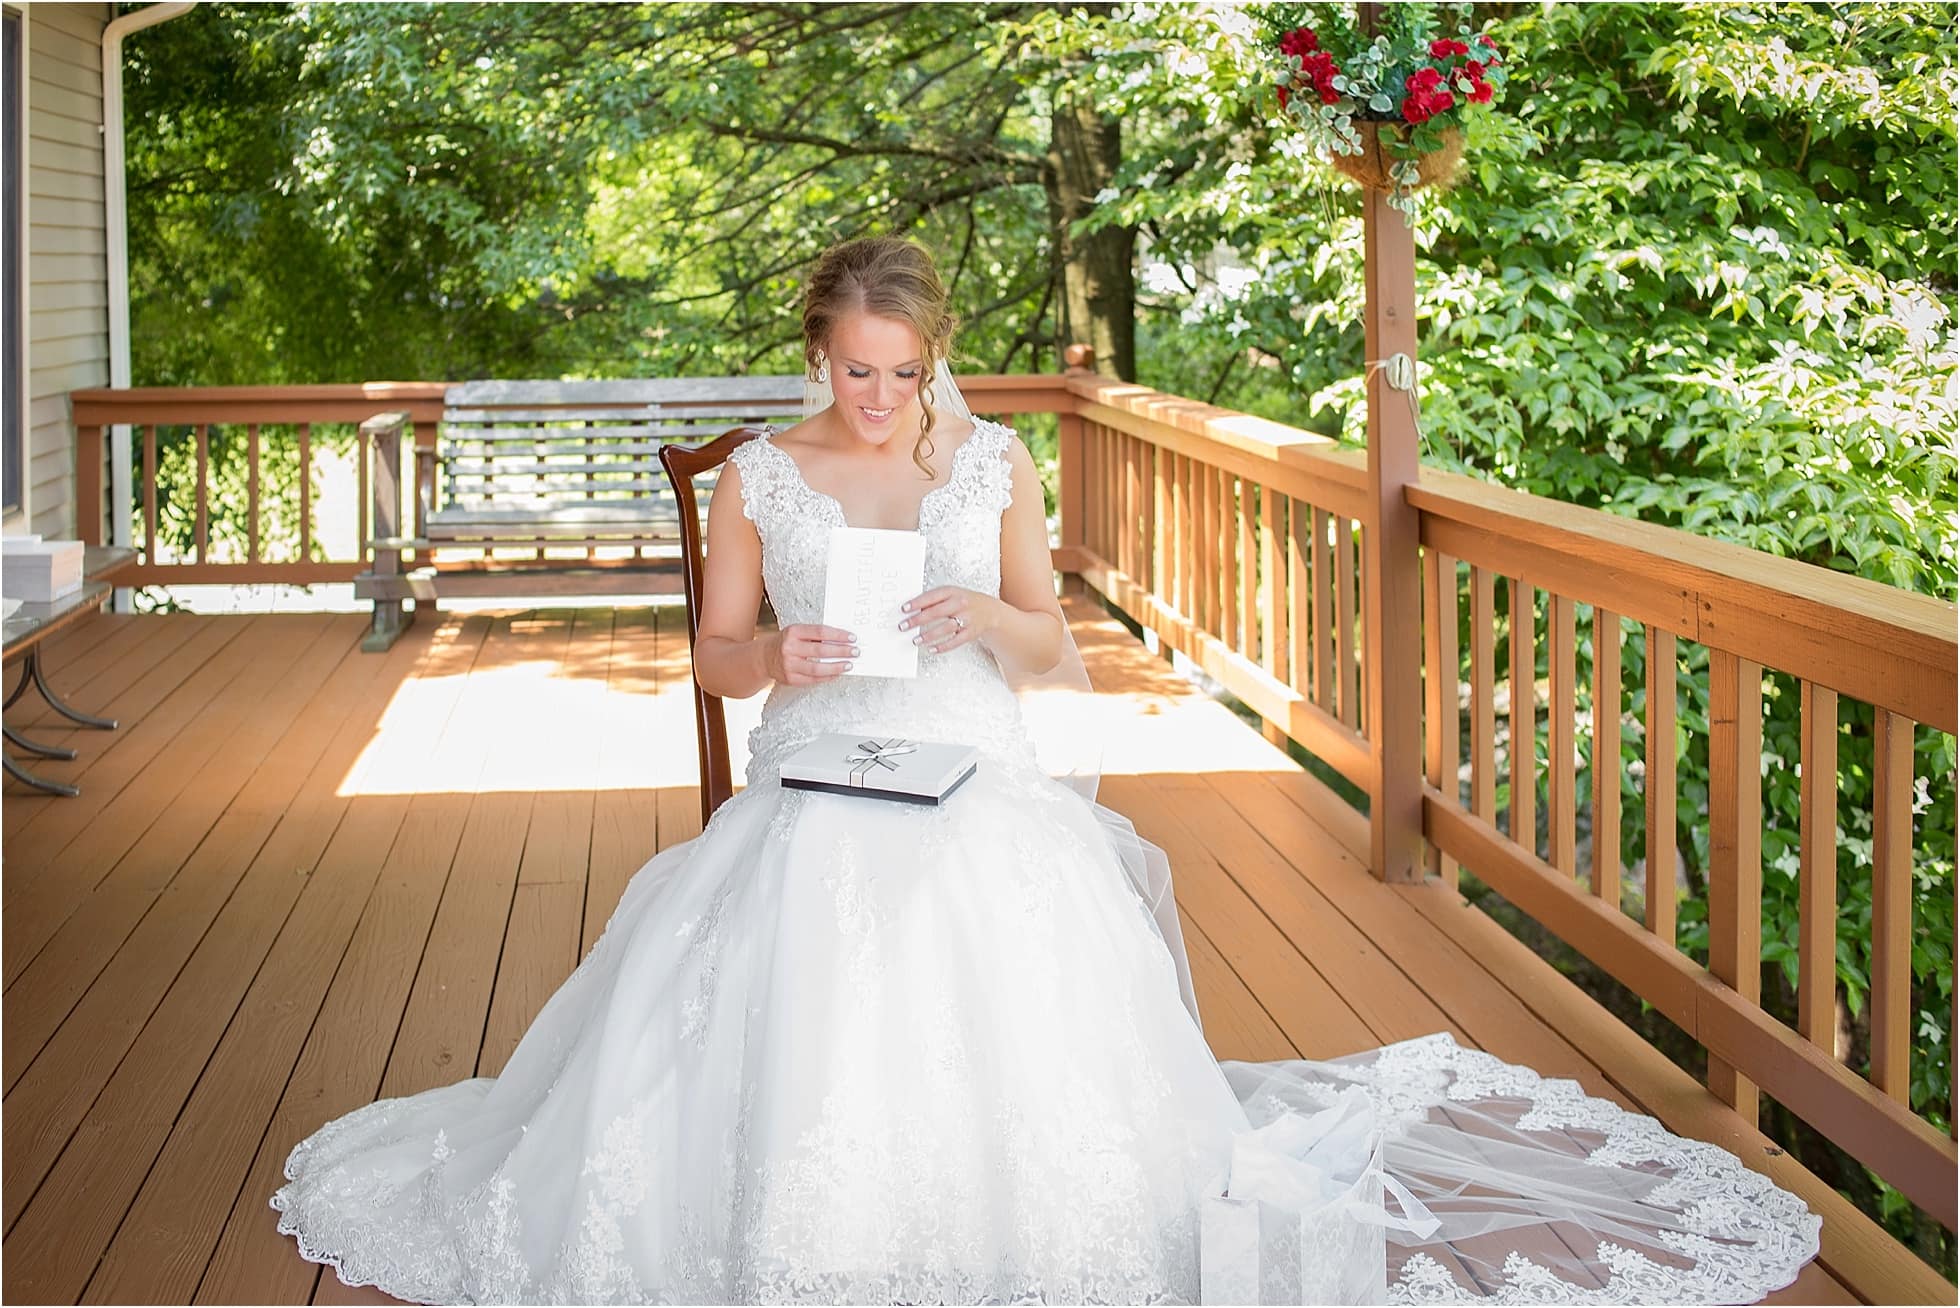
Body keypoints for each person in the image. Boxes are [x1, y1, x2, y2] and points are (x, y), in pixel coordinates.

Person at [271, 236, 1820, 1305]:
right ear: (818, 351)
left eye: (902, 371)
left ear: (936, 357)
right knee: (804, 892)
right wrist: (780, 660)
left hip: (968, 760)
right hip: (817, 765)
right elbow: (712, 660)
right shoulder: (762, 475)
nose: (878, 399)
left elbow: (1053, 648)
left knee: (998, 887)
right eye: (854, 370)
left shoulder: (997, 463)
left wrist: (985, 616)